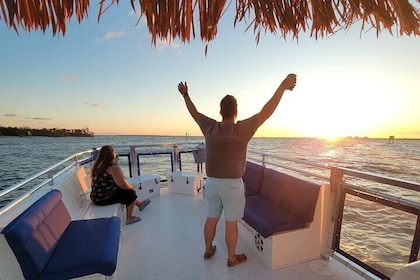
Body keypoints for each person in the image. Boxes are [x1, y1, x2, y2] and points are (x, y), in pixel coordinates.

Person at [177, 74, 297, 267]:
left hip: (212, 183)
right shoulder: (242, 130)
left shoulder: (210, 127)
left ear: (220, 111)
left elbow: (194, 112)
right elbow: (266, 112)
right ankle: (231, 258)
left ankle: (208, 250)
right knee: (231, 223)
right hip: (233, 186)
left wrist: (185, 95)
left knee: (211, 218)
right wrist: (282, 87)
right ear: (236, 111)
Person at [90, 145, 151, 225]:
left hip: (96, 197)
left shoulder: (97, 165)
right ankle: (129, 218)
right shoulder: (113, 167)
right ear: (111, 154)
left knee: (124, 190)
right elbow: (122, 184)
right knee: (131, 193)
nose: (115, 153)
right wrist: (132, 188)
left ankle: (140, 205)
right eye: (114, 152)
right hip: (103, 199)